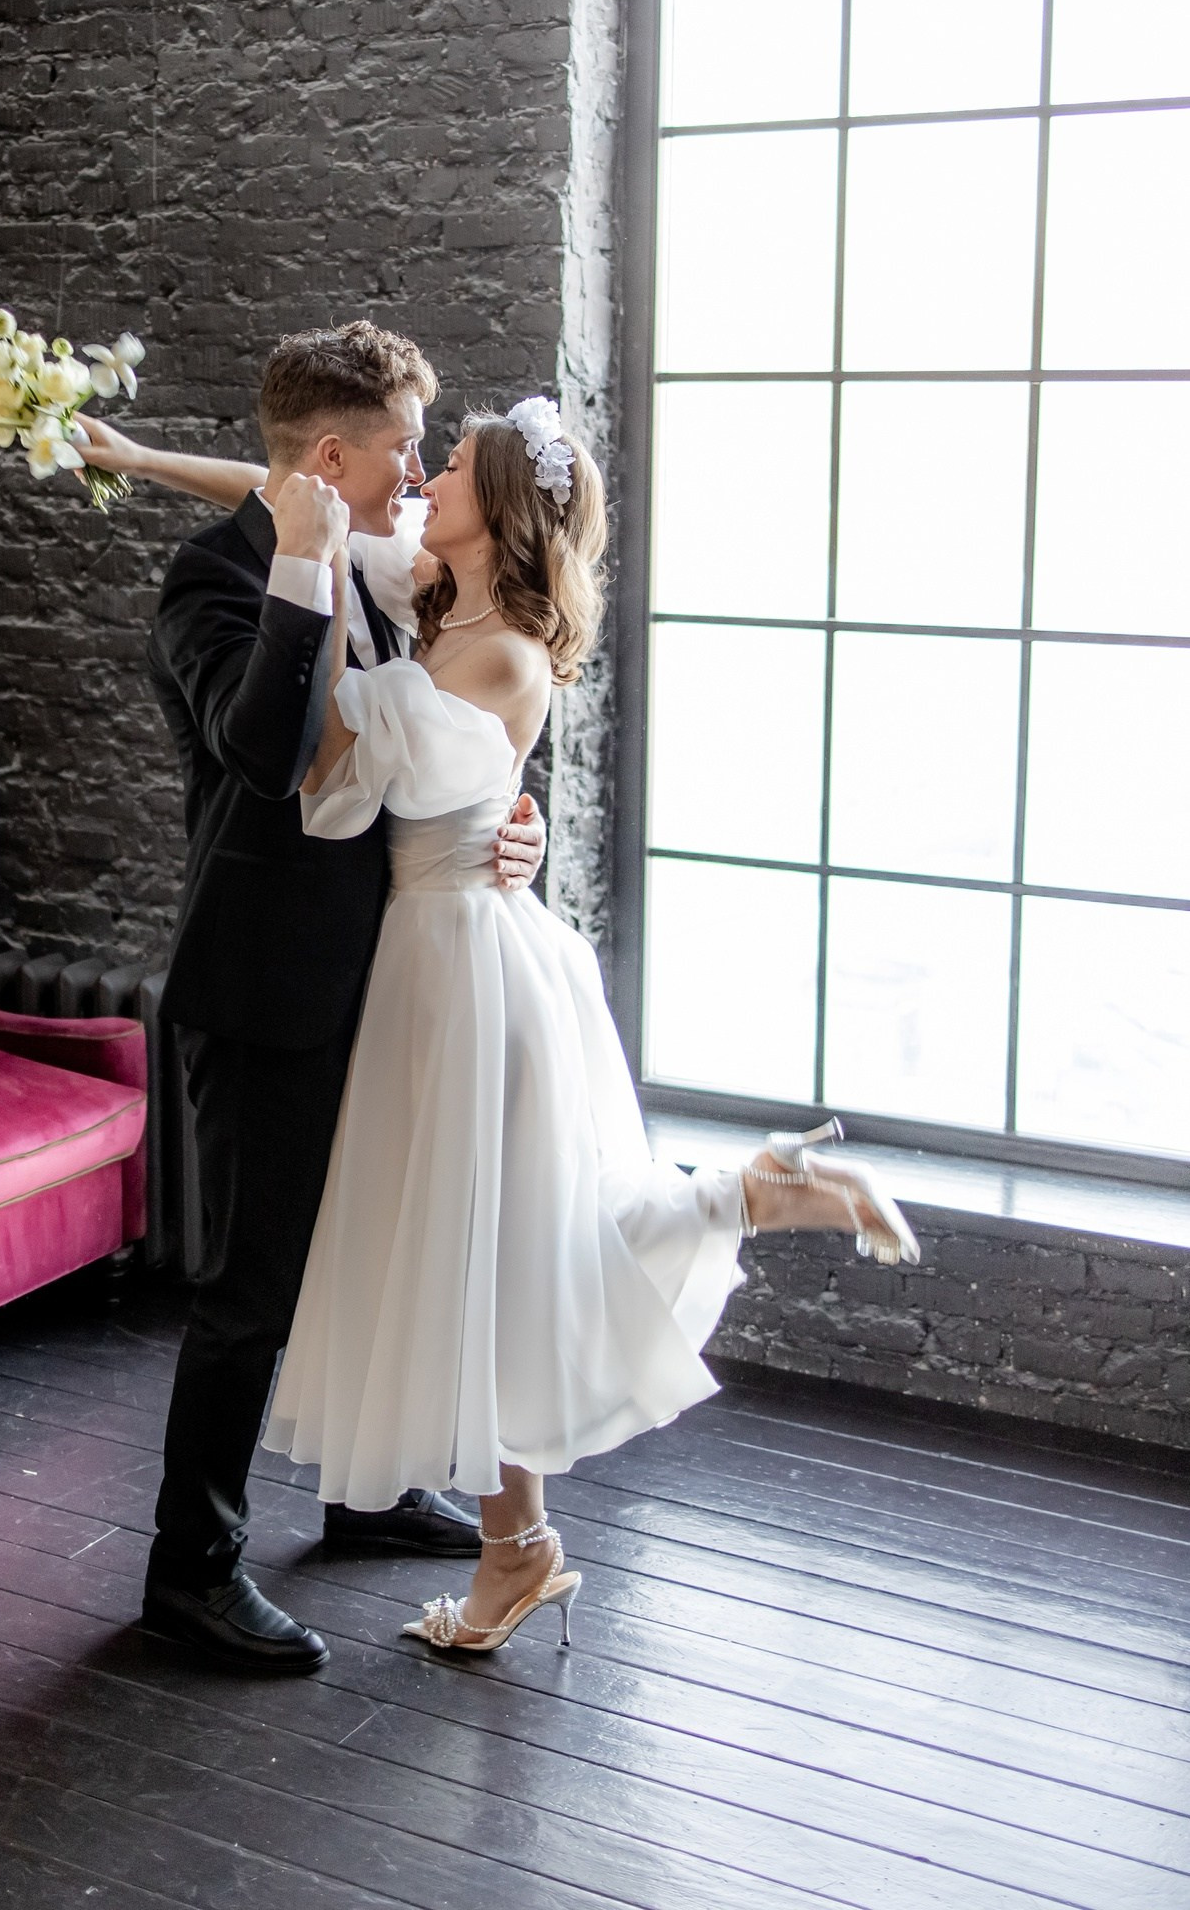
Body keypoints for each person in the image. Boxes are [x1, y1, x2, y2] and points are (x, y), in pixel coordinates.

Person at [251, 396, 921, 1655]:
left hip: (467, 976)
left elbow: (336, 741)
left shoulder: (499, 656)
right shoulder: (443, 598)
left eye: (452, 466)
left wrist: (314, 569)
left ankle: (755, 1194)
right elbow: (290, 492)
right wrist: (141, 461)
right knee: (487, 1266)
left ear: (498, 507)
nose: (427, 476)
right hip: (434, 964)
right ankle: (516, 1551)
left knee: (517, 1255)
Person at [77, 324, 548, 1674]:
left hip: (392, 980)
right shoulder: (212, 584)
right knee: (252, 1291)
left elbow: (446, 748)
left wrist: (515, 832)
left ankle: (365, 1489)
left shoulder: (389, 556)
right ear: (335, 458)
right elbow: (269, 753)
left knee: (375, 1249)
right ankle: (190, 1571)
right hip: (268, 986)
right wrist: (297, 559)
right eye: (406, 444)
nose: (420, 467)